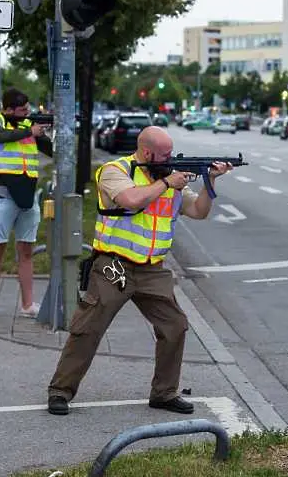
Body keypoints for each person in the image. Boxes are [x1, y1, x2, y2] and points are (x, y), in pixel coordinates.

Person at [46, 126, 233, 416]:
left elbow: (198, 211)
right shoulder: (115, 171)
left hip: (152, 269)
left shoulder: (170, 179)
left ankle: (164, 393)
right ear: (147, 153)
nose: (170, 159)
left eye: (172, 154)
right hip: (114, 265)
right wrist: (168, 183)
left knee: (175, 326)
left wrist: (209, 181)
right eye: (164, 155)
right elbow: (131, 200)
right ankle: (60, 390)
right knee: (88, 327)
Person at [0, 88, 53, 321]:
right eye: (22, 110)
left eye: (27, 110)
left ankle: (27, 304)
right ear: (8, 109)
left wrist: (42, 134)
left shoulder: (27, 126)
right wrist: (29, 130)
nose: (26, 113)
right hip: (1, 194)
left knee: (26, 251)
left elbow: (52, 152)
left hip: (27, 195)